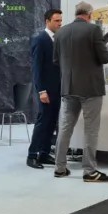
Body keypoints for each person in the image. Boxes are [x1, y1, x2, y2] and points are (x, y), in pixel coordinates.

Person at [52, 2, 108, 182]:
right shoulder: (93, 30)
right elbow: (105, 57)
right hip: (90, 88)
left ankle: (59, 168)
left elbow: (56, 60)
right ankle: (89, 171)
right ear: (90, 14)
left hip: (68, 87)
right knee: (91, 129)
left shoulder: (61, 32)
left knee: (64, 128)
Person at [26, 9, 63, 169]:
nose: (60, 23)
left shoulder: (57, 39)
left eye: (60, 20)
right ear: (47, 21)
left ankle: (44, 153)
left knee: (52, 122)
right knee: (43, 122)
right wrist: (41, 91)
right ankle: (32, 155)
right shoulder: (40, 39)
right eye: (56, 21)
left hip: (57, 89)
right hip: (45, 90)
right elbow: (37, 68)